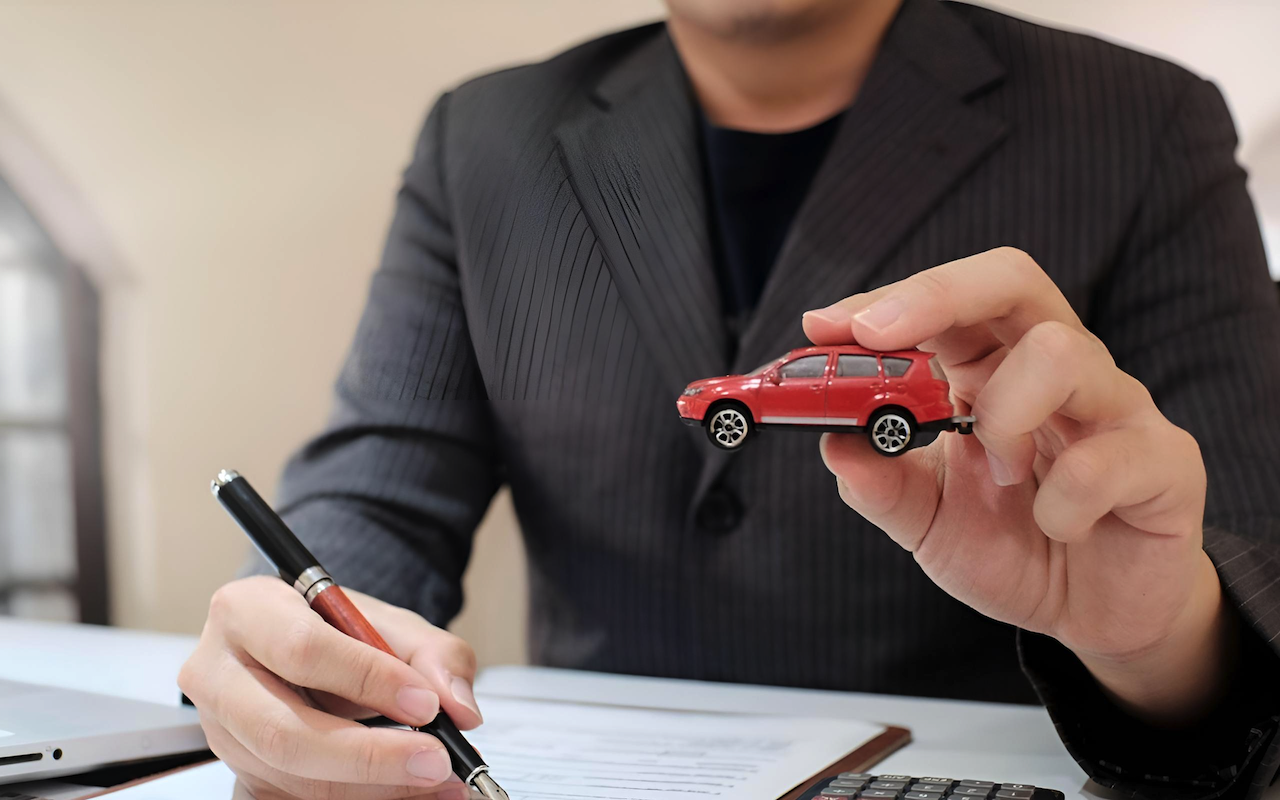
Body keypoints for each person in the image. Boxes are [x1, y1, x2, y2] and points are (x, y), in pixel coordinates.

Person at [177, 1, 1280, 798]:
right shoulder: (483, 141)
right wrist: (302, 649)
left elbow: (1243, 548)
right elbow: (373, 498)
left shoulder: (1141, 125)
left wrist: (1158, 639)